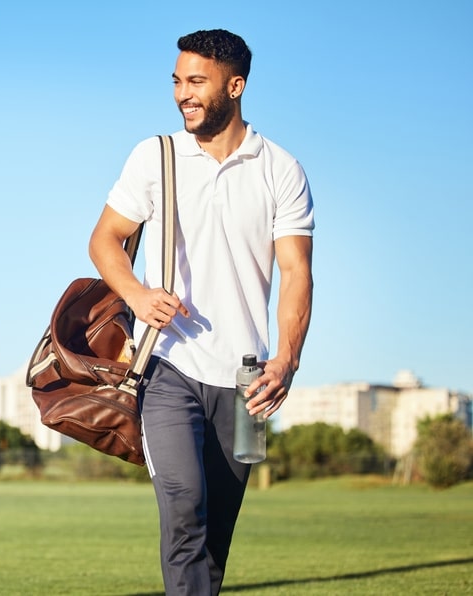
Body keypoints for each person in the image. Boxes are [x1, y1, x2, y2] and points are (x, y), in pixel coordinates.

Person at [88, 29, 314, 595]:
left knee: (216, 532)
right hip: (167, 367)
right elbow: (105, 240)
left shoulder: (280, 169)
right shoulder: (154, 155)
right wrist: (138, 296)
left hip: (248, 380)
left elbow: (296, 273)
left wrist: (286, 359)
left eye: (196, 82)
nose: (181, 94)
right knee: (185, 506)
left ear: (235, 86)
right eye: (176, 81)